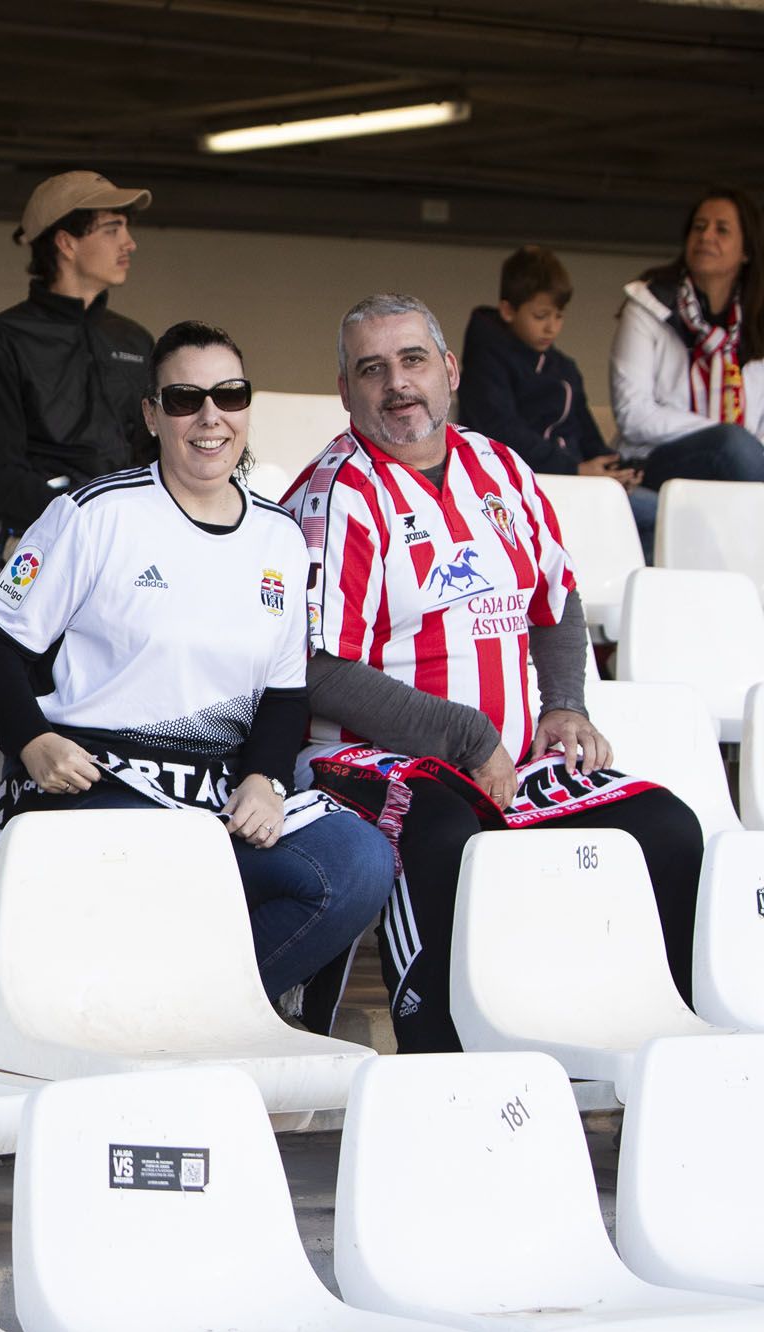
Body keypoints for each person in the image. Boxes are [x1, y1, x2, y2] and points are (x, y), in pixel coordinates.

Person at [291, 293, 702, 1053]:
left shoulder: (501, 468)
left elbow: (556, 600)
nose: (397, 384)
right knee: (442, 823)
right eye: (371, 369)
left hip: (505, 760)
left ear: (448, 370)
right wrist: (465, 734)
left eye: (413, 360)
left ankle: (653, 1051)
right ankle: (437, 1056)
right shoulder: (336, 492)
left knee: (668, 829)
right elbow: (314, 668)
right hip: (362, 760)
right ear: (346, 392)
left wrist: (568, 703)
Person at [0, 320, 392, 1006]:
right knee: (160, 875)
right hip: (94, 790)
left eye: (230, 394)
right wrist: (31, 741)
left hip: (211, 803)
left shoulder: (280, 536)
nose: (210, 416)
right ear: (153, 414)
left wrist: (266, 779)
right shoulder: (92, 513)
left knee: (358, 862)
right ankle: (160, 1015)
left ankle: (194, 1010)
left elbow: (284, 694)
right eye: (186, 399)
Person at [0, 170, 158, 549]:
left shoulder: (136, 339)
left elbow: (157, 452)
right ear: (67, 243)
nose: (129, 243)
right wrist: (84, 520)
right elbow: (2, 474)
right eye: (112, 229)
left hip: (138, 539)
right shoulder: (0, 341)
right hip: (49, 542)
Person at [459, 245, 655, 549]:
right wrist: (575, 470)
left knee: (657, 513)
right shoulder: (486, 360)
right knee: (656, 513)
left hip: (575, 482)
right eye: (541, 315)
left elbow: (587, 434)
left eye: (559, 316)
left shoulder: (564, 369)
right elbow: (502, 432)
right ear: (508, 311)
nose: (552, 327)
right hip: (523, 487)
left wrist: (612, 468)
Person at [609, 187, 764, 487]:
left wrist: (745, 446)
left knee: (735, 447)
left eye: (722, 230)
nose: (707, 236)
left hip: (744, 466)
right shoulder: (648, 305)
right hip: (653, 462)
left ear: (746, 251)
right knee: (730, 445)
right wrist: (722, 434)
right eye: (699, 227)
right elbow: (634, 414)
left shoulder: (757, 320)